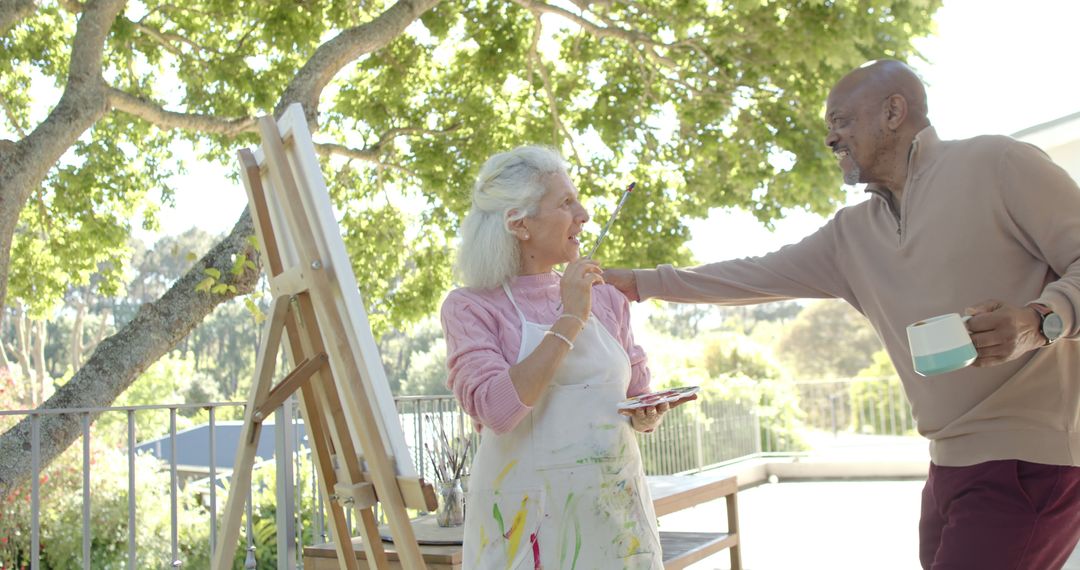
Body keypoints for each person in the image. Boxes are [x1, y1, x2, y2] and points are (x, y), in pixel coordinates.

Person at [605, 59, 1080, 569]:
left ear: (894, 112)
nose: (831, 140)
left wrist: (1040, 322)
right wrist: (635, 283)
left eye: (841, 121)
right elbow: (751, 274)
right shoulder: (852, 235)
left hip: (1033, 460)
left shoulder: (999, 163)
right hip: (947, 466)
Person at [441, 145, 692, 569]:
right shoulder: (470, 307)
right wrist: (572, 316)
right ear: (520, 224)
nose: (585, 213)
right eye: (565, 202)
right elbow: (498, 411)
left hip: (613, 518)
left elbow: (635, 394)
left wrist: (647, 412)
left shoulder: (609, 297)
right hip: (524, 528)